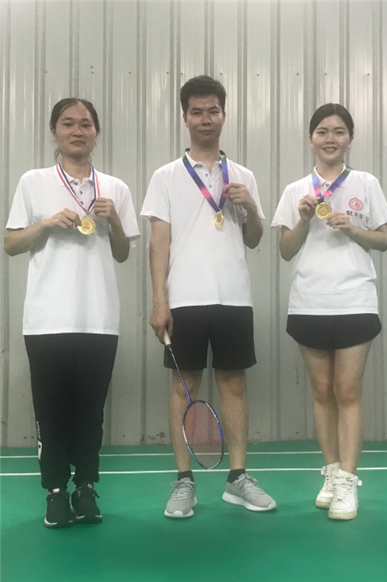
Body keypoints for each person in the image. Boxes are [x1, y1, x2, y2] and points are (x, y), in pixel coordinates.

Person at [141, 75, 276, 518]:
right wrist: (159, 301)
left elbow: (254, 238)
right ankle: (184, 481)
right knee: (185, 387)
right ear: (185, 117)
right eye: (196, 111)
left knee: (234, 385)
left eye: (212, 111)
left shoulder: (243, 176)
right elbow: (158, 242)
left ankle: (238, 478)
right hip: (184, 299)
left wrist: (250, 206)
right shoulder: (165, 176)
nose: (205, 119)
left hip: (234, 297)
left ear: (224, 114)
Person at [4, 98, 140, 528]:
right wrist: (45, 224)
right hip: (47, 319)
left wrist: (114, 221)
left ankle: (85, 487)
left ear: (96, 133)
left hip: (99, 318)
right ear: (54, 132)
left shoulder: (114, 188)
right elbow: (10, 243)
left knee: (90, 412)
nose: (77, 131)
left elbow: (123, 253)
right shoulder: (33, 182)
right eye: (68, 123)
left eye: (85, 124)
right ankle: (55, 492)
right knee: (51, 412)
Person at [271, 103, 387, 520]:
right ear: (311, 138)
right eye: (322, 131)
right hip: (310, 302)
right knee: (322, 391)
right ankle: (331, 471)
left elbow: (384, 241)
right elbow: (286, 251)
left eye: (339, 131)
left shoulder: (365, 183)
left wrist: (353, 228)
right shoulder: (295, 191)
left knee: (348, 391)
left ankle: (348, 481)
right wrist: (304, 220)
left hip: (355, 300)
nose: (330, 138)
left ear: (350, 139)